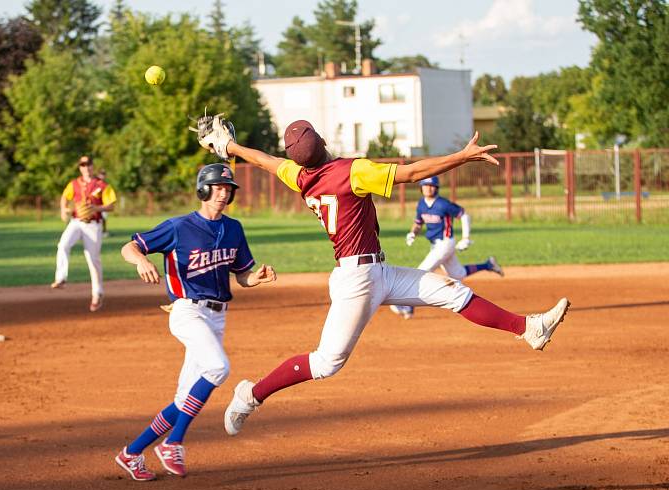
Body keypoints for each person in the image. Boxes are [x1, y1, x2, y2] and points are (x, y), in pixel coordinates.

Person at [198, 119, 569, 436]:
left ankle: (529, 328)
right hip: (357, 280)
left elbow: (266, 161)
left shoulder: (300, 177)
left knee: (452, 292)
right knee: (327, 362)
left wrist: (229, 145)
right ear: (324, 141)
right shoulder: (351, 171)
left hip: (378, 271)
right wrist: (461, 156)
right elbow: (411, 174)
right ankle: (250, 394)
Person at [114, 163, 276, 480]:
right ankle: (173, 442)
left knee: (184, 397)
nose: (223, 192)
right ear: (203, 190)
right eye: (217, 187)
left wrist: (254, 278)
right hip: (187, 311)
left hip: (217, 317)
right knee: (219, 368)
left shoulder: (234, 229)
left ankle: (131, 453)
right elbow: (129, 247)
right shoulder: (179, 227)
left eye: (228, 188)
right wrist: (141, 260)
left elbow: (240, 275)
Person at [389, 175, 504, 319]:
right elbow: (418, 223)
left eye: (432, 185)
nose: (428, 188)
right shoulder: (421, 205)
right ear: (421, 187)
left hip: (445, 244)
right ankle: (488, 265)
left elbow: (464, 215)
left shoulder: (443, 204)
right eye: (425, 185)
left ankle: (407, 306)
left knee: (421, 272)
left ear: (436, 188)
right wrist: (412, 233)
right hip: (435, 246)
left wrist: (466, 238)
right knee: (458, 274)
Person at [51, 155, 116, 312]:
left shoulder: (101, 185)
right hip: (76, 222)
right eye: (82, 164)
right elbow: (64, 198)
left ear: (93, 166)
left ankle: (97, 294)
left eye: (88, 164)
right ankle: (61, 278)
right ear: (79, 167)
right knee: (63, 245)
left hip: (93, 225)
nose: (85, 167)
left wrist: (96, 208)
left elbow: (111, 205)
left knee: (93, 260)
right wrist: (63, 210)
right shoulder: (74, 184)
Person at [96, 168, 112, 238]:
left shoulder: (105, 185)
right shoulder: (95, 184)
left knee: (104, 219)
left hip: (104, 205)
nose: (103, 176)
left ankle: (104, 231)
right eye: (101, 174)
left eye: (104, 174)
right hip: (96, 205)